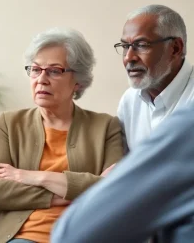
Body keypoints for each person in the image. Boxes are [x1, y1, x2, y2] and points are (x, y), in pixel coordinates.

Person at [0, 28, 123, 243]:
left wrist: (34, 176)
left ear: (78, 81)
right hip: (21, 237)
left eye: (54, 71)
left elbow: (114, 191)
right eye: (35, 70)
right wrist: (56, 196)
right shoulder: (10, 123)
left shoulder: (106, 126)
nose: (41, 79)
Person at [51, 103, 194, 243]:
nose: (41, 80)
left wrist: (38, 178)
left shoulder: (105, 125)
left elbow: (71, 234)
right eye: (33, 76)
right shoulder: (131, 100)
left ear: (76, 84)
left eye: (55, 76)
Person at [114, 4, 194, 151]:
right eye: (125, 46)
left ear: (175, 48)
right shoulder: (130, 101)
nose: (128, 58)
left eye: (142, 45)